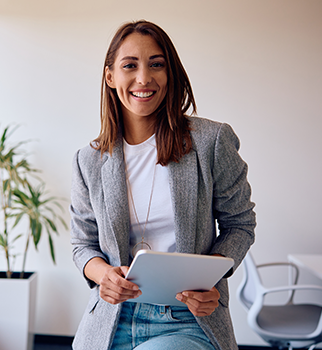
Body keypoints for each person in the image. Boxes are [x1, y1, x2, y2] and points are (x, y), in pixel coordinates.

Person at [69, 20, 256, 350]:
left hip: (186, 318)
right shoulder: (89, 161)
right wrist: (103, 276)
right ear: (110, 76)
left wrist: (210, 278)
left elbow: (239, 224)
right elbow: (82, 245)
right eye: (130, 65)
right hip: (113, 319)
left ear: (170, 76)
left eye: (157, 64)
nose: (144, 78)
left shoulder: (210, 142)